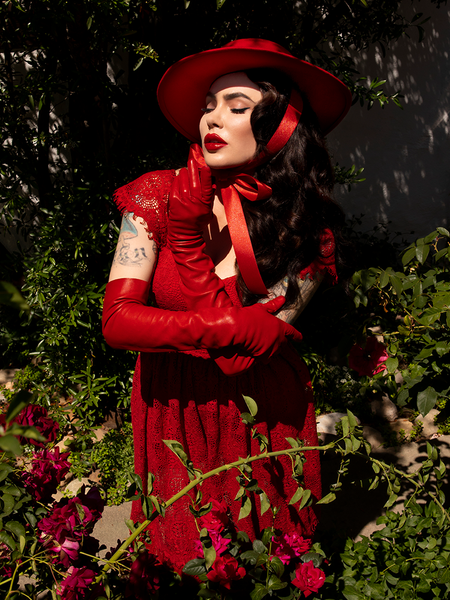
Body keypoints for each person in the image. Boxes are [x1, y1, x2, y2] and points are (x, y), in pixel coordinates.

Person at [102, 39, 351, 573]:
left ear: (280, 126)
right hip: (172, 403)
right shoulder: (155, 195)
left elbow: (241, 358)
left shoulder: (310, 230)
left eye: (236, 107)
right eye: (208, 106)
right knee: (182, 558)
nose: (212, 118)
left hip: (262, 408)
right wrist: (221, 315)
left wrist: (189, 244)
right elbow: (118, 321)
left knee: (264, 557)